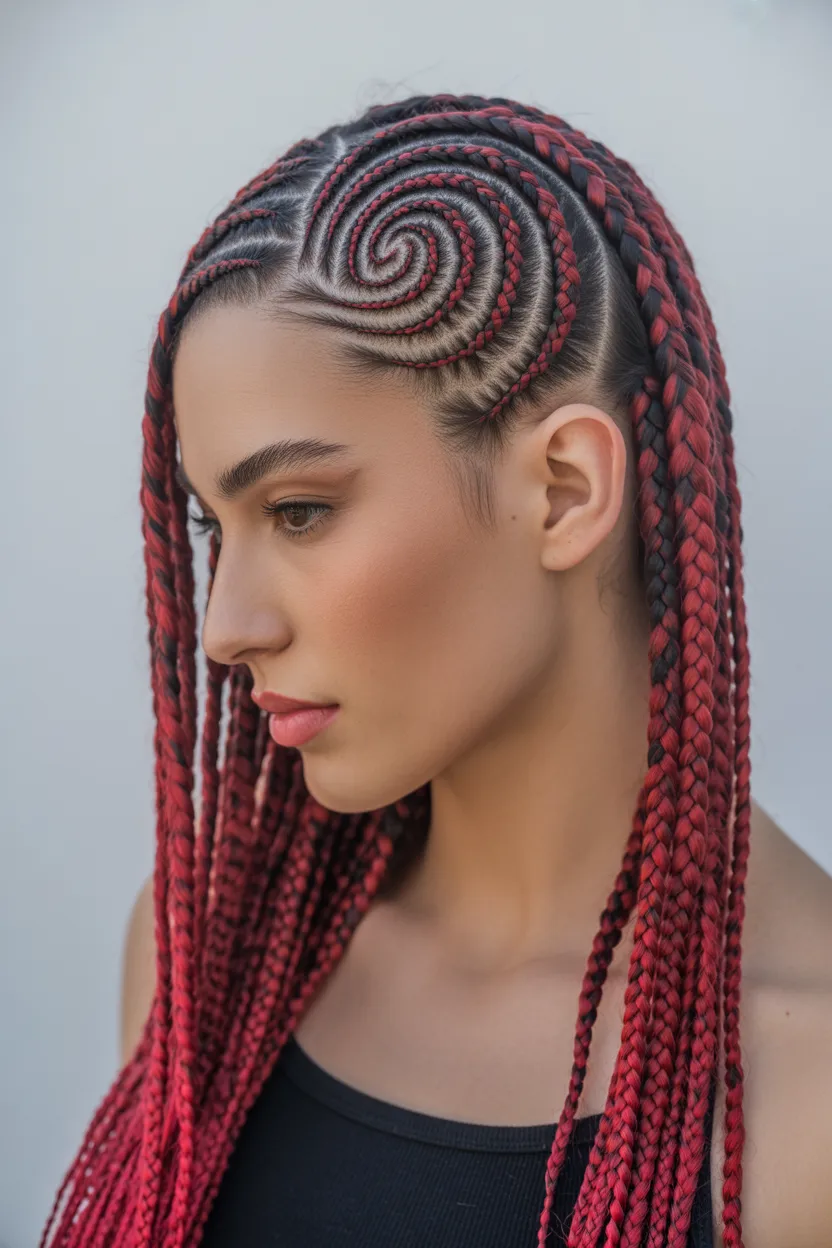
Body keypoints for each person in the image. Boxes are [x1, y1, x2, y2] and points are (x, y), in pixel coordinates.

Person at [41, 94, 832, 1248]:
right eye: (216, 526)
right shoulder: (199, 960)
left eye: (299, 511)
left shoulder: (806, 1100)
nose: (225, 628)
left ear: (563, 488)